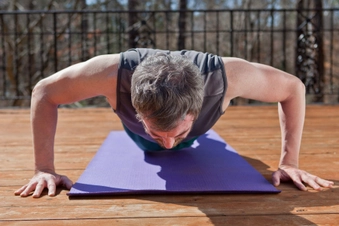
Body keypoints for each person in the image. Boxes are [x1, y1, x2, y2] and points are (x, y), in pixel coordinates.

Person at [14, 48, 334, 198]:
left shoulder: (226, 77)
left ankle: (183, 133)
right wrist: (44, 167)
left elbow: (294, 88)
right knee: (157, 143)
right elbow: (44, 92)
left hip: (195, 130)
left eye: (176, 133)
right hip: (137, 136)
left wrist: (289, 161)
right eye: (159, 132)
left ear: (198, 108)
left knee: (186, 141)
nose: (168, 143)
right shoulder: (111, 74)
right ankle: (164, 131)